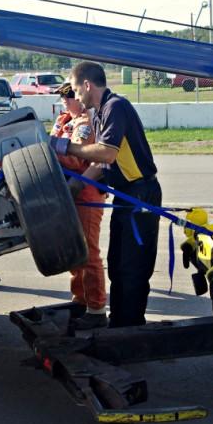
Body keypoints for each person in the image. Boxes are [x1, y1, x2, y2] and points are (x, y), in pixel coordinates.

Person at [49, 61, 161, 328]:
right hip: (126, 195)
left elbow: (106, 153)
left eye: (75, 90)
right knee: (118, 264)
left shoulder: (116, 107)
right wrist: (74, 188)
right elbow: (101, 164)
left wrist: (65, 146)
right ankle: (119, 324)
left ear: (87, 85)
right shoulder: (100, 113)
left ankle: (130, 328)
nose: (74, 96)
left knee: (133, 268)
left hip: (141, 194)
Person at [50, 82, 108, 329]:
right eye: (62, 97)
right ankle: (80, 299)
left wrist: (49, 151)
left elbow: (76, 156)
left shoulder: (85, 123)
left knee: (89, 253)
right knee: (75, 251)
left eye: (69, 96)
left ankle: (96, 308)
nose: (64, 100)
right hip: (68, 194)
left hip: (86, 194)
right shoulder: (63, 120)